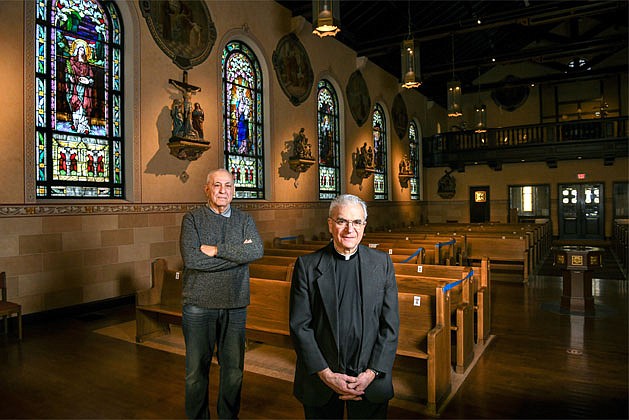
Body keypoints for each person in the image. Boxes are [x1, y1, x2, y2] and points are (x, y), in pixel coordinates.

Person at [289, 194, 399, 419]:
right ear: (330, 224)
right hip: (322, 379)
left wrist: (371, 373)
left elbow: (390, 325)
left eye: (357, 222)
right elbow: (300, 326)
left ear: (364, 226)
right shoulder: (307, 266)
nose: (350, 229)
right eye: (342, 221)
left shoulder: (382, 264)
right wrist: (327, 375)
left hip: (370, 379)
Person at [179, 168, 264, 419]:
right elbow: (193, 260)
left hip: (235, 304)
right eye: (217, 185)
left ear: (234, 190)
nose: (222, 191)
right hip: (198, 304)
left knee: (234, 370)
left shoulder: (245, 220)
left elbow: (256, 251)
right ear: (207, 189)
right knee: (196, 371)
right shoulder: (192, 219)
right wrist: (238, 255)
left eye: (228, 186)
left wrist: (216, 250)